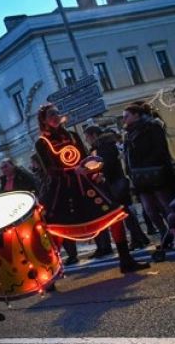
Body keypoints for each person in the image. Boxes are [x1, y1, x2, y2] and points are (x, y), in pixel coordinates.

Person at [34, 103, 149, 273]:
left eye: (57, 113)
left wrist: (95, 170)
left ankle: (126, 260)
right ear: (44, 120)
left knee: (114, 215)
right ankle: (52, 273)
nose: (55, 116)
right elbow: (50, 170)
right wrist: (73, 170)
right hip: (62, 190)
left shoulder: (72, 135)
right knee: (56, 229)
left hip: (85, 183)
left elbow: (85, 157)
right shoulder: (42, 142)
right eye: (51, 114)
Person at [83, 125, 150, 251]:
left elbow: (107, 164)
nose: (86, 140)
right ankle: (139, 238)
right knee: (125, 213)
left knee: (124, 213)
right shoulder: (102, 145)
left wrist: (101, 174)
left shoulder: (104, 146)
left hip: (114, 183)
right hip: (115, 182)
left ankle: (138, 239)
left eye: (87, 137)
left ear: (94, 135)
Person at [122, 103, 175, 243]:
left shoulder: (152, 126)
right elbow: (128, 155)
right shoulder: (128, 133)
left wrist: (145, 165)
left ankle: (172, 232)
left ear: (136, 115)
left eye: (126, 116)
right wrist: (130, 171)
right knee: (149, 209)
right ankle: (164, 234)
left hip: (157, 173)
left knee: (166, 205)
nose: (124, 120)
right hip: (140, 178)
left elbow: (160, 149)